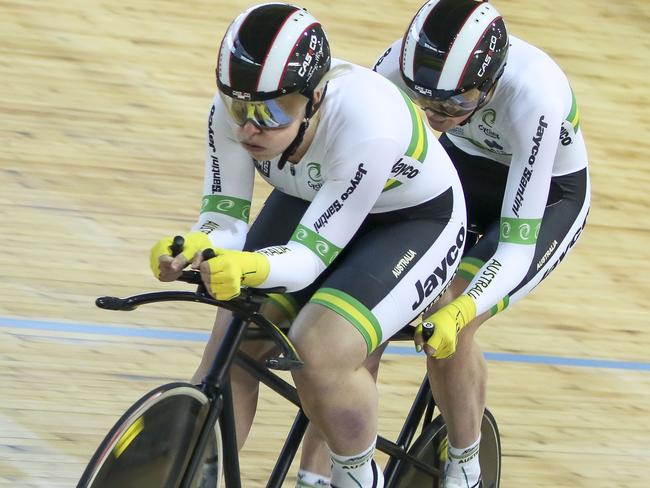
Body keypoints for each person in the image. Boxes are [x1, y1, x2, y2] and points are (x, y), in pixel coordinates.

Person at [149, 3, 467, 487]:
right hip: (316, 198)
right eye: (238, 108)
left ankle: (358, 476)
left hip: (413, 221)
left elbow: (306, 259)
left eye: (272, 112)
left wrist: (247, 266)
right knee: (233, 346)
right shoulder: (238, 113)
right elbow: (224, 221)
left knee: (320, 351)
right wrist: (195, 244)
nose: (249, 128)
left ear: (314, 97)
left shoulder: (366, 125)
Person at [371, 0, 591, 487]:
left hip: (546, 195)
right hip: (459, 170)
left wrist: (464, 308)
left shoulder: (536, 98)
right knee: (375, 293)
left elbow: (515, 246)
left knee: (450, 311)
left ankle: (467, 468)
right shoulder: (394, 68)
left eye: (455, 106)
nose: (434, 116)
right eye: (424, 101)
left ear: (490, 85)